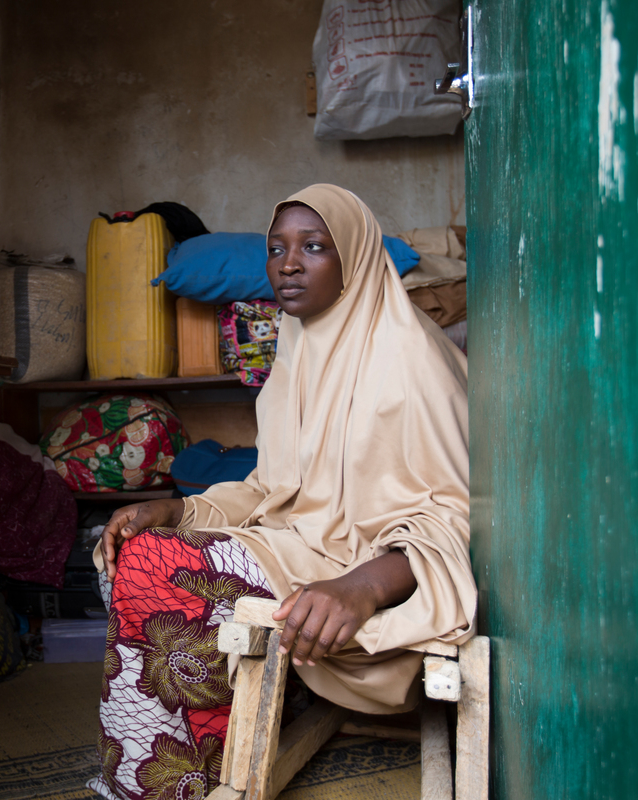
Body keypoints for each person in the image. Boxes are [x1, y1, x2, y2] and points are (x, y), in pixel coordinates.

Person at [88, 184, 477, 800]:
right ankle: (163, 773)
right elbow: (275, 487)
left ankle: (173, 783)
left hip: (358, 571)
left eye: (314, 247)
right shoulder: (299, 350)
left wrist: (360, 587)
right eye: (277, 249)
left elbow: (450, 518)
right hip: (301, 547)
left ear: (354, 257)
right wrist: (178, 509)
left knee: (156, 571)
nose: (288, 264)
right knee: (133, 553)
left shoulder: (408, 360)